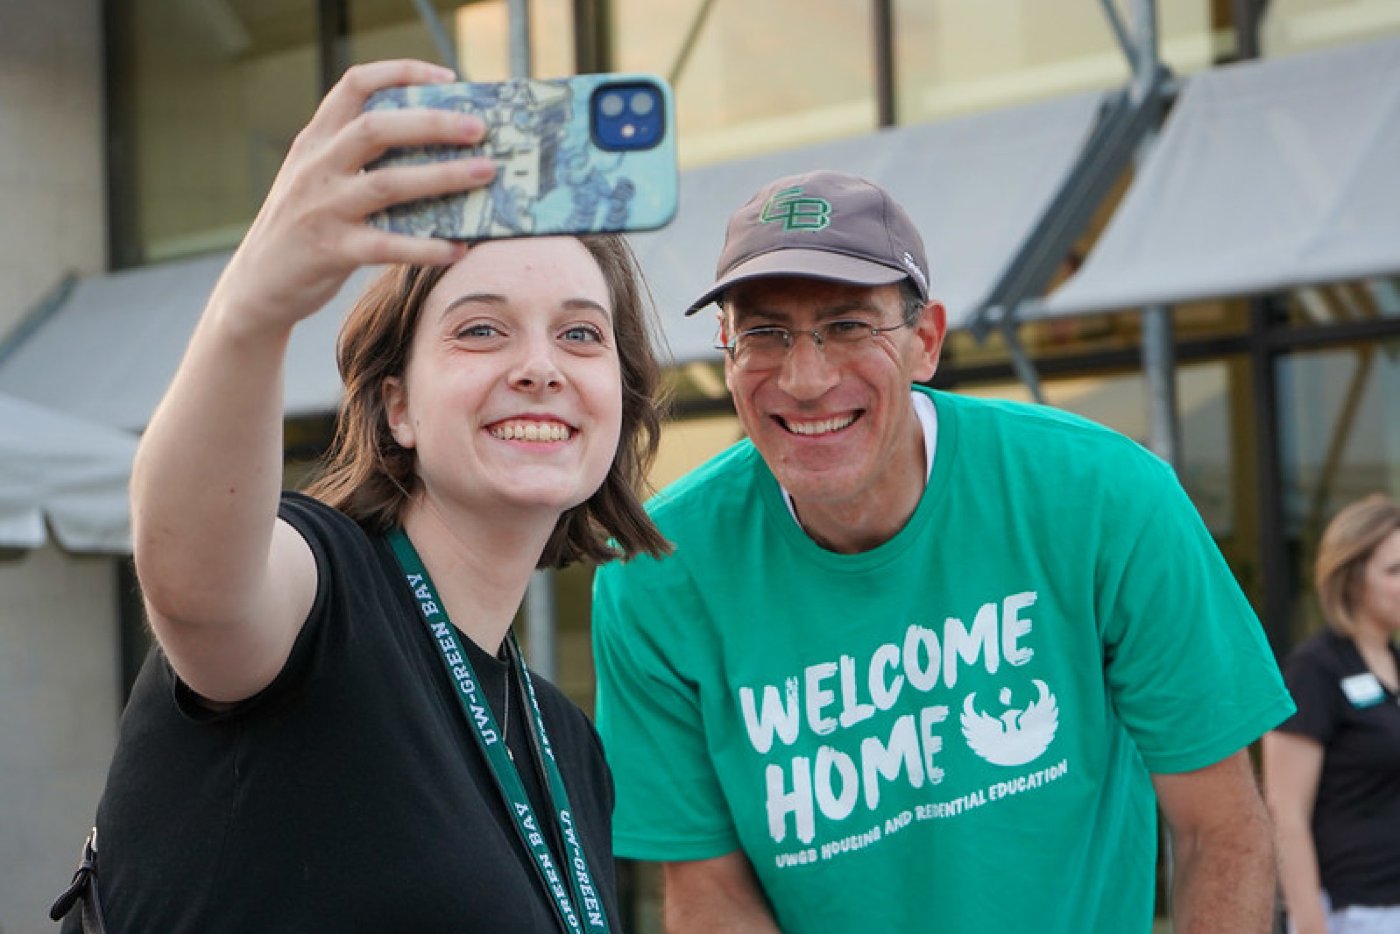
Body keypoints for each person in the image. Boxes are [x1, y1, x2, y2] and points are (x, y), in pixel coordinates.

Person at [51, 60, 669, 933]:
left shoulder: (569, 744)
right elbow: (194, 584)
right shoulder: (322, 588)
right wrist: (253, 308)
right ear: (399, 404)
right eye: (482, 330)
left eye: (580, 333)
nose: (540, 367)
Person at [590, 169, 1296, 933]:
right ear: (727, 355)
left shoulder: (1102, 497)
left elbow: (1218, 833)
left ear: (925, 342)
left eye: (849, 326)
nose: (805, 377)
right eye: (765, 333)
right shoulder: (658, 571)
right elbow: (708, 894)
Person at [1263, 494, 1400, 934]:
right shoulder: (1315, 669)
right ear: (1352, 576)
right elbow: (1285, 810)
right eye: (1394, 570)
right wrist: (1310, 923)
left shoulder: (1392, 661)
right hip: (1355, 912)